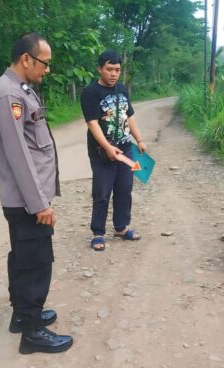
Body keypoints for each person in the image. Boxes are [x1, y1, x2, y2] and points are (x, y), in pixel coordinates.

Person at [0, 32, 73, 354]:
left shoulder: (19, 90)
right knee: (35, 264)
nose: (47, 70)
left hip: (28, 197)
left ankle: (23, 318)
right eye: (44, 63)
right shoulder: (7, 95)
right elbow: (19, 154)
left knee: (24, 259)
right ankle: (33, 332)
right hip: (27, 201)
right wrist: (39, 204)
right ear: (26, 59)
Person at [80, 50, 148, 251]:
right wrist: (109, 148)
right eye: (109, 69)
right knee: (102, 191)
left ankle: (120, 227)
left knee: (124, 189)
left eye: (117, 70)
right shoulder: (90, 92)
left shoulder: (121, 89)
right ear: (99, 69)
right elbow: (92, 124)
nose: (113, 74)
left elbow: (130, 116)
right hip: (102, 151)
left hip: (126, 149)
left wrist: (140, 139)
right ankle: (98, 232)